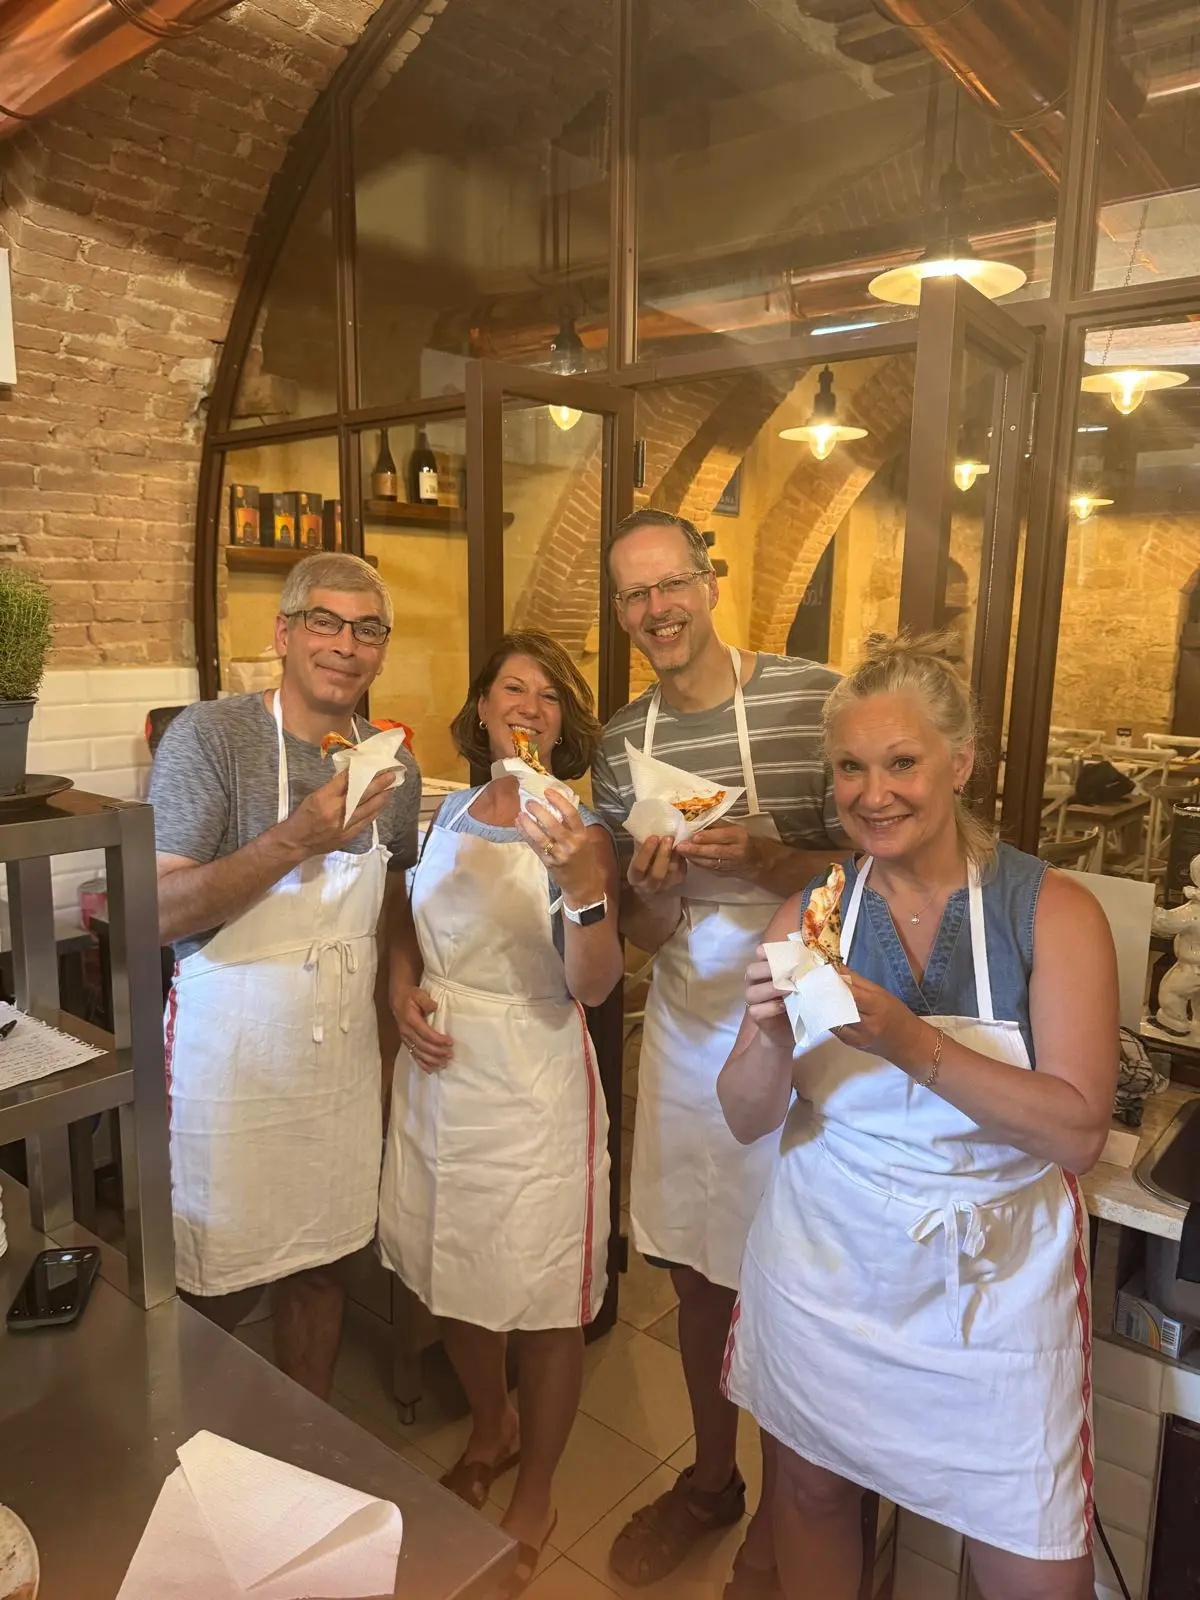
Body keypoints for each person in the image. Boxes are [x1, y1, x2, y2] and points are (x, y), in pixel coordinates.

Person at [718, 633, 1119, 1600]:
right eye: (851, 766)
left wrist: (905, 1039)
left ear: (961, 764)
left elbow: (1075, 1132)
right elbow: (741, 1116)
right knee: (810, 1497)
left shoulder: (1052, 913)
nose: (873, 792)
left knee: (1033, 1559)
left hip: (991, 1288)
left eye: (903, 762)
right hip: (826, 1264)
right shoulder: (809, 916)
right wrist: (770, 1038)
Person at [590, 510, 844, 1596]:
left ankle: (791, 1521)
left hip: (808, 1028)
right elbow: (640, 940)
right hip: (691, 1024)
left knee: (789, 1278)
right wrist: (648, 894)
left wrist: (767, 853)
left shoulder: (812, 698)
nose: (659, 609)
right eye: (636, 596)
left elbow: (881, 858)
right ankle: (709, 1478)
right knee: (697, 1276)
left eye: (673, 584)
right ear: (622, 612)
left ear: (709, 579)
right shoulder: (620, 744)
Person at [378, 630, 622, 1593]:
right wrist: (403, 993)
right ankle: (494, 1425)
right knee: (457, 1264)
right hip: (441, 1074)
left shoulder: (582, 825)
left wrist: (583, 887)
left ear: (565, 720)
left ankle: (540, 1486)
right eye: (511, 688)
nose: (529, 705)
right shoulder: (444, 808)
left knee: (545, 1295)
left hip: (532, 1077)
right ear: (480, 707)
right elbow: (406, 917)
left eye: (549, 694)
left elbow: (594, 988)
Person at [150, 552, 419, 1399]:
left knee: (322, 1262)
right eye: (325, 622)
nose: (346, 644)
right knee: (213, 1276)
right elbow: (158, 912)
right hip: (231, 1060)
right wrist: (294, 839)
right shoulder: (212, 737)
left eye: (367, 629)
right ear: (284, 633)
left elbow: (391, 902)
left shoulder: (392, 768)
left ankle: (307, 1436)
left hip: (338, 1061)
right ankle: (184, 1445)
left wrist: (398, 1004)